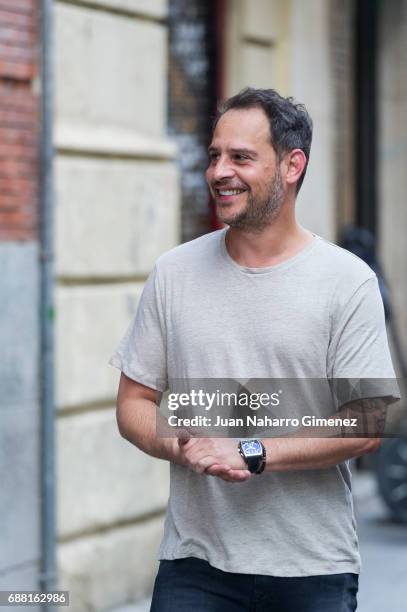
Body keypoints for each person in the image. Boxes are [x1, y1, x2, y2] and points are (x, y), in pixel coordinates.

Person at [109, 88, 399, 612]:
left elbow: (367, 421)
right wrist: (177, 441)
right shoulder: (173, 273)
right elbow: (134, 402)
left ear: (293, 166)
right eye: (215, 155)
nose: (220, 170)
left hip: (311, 569)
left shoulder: (346, 281)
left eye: (241, 157)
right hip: (194, 568)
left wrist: (249, 450)